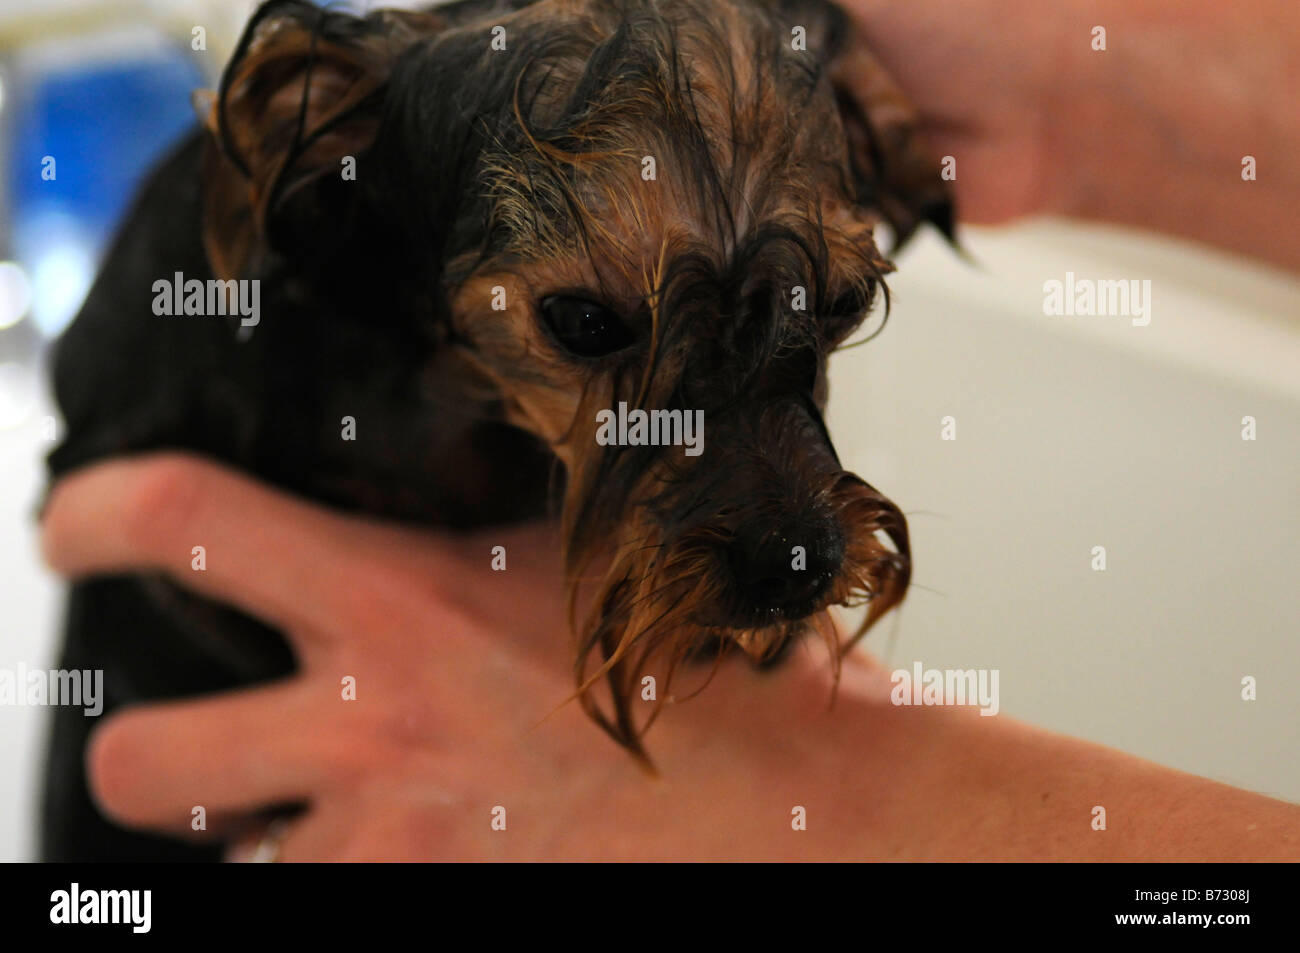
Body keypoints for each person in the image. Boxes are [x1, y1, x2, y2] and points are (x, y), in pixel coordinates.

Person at [37, 0, 1300, 860]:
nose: (799, 550)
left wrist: (824, 805)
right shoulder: (248, 280)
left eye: (835, 302)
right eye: (587, 323)